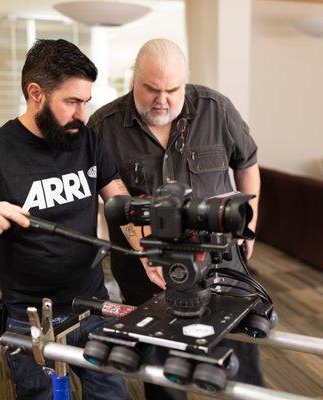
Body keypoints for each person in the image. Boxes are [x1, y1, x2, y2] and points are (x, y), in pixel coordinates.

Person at [0, 39, 130, 400]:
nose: (82, 113)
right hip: (30, 322)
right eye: (72, 102)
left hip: (92, 307)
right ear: (36, 94)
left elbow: (120, 203)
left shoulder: (87, 140)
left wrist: (149, 245)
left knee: (112, 395)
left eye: (85, 102)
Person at [88, 38, 262, 399]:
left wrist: (250, 226)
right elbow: (111, 196)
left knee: (240, 353)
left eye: (172, 89)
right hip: (142, 266)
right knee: (163, 368)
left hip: (220, 259)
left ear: (185, 82)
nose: (161, 100)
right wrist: (147, 250)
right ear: (133, 79)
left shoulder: (216, 109)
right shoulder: (104, 125)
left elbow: (247, 166)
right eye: (151, 88)